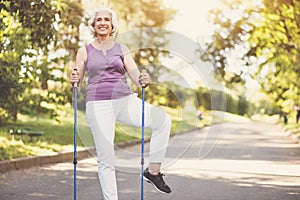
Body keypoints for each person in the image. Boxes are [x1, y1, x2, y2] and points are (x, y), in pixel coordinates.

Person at [70, 7, 172, 200]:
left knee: (163, 120)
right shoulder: (84, 51)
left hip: (125, 100)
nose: (102, 22)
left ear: (112, 25)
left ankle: (153, 172)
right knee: (106, 159)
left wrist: (143, 79)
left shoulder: (121, 49)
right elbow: (77, 84)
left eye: (106, 20)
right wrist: (74, 81)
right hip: (98, 105)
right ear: (93, 24)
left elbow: (134, 75)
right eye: (98, 19)